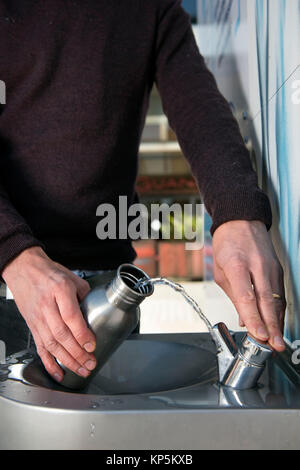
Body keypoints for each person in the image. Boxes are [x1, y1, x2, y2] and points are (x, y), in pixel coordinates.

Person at [0, 0, 286, 383]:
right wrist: (15, 255)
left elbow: (199, 109)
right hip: (10, 280)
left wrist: (238, 214)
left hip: (108, 289)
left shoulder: (151, 8)